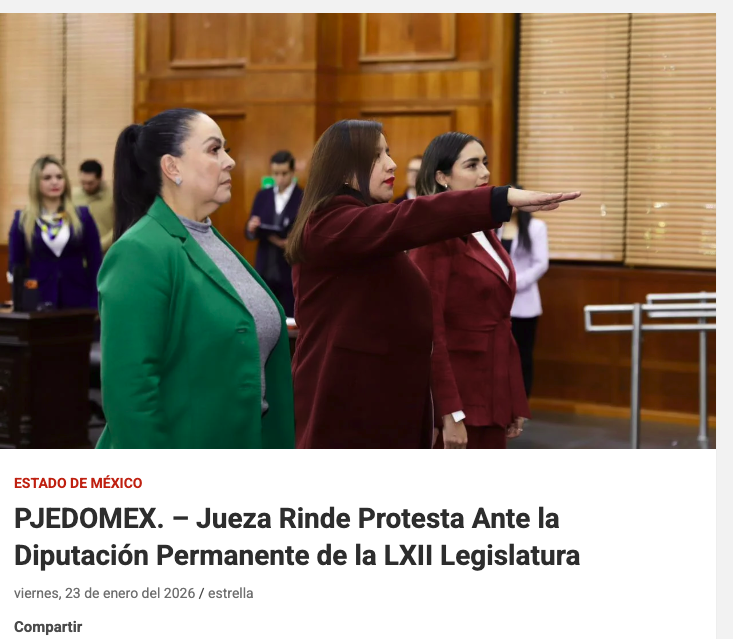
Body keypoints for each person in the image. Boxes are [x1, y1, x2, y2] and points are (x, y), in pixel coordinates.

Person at [285, 119, 579, 448]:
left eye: (388, 152)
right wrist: (501, 198)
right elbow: (412, 216)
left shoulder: (360, 222)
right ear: (344, 171)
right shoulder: (331, 223)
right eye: (377, 156)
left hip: (379, 403)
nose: (391, 164)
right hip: (347, 409)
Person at [96, 108, 295, 449]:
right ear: (172, 167)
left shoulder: (212, 240)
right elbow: (130, 394)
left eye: (225, 149)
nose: (230, 161)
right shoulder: (140, 250)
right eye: (214, 149)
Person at [409, 133, 530, 449]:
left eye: (485, 163)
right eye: (472, 165)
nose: (485, 173)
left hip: (493, 387)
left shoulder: (483, 228)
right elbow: (430, 331)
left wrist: (513, 395)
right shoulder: (433, 236)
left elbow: (501, 322)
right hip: (460, 396)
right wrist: (449, 412)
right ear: (442, 177)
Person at [8, 155, 102, 309]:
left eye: (59, 177)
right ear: (36, 183)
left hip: (79, 299)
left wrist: (96, 301)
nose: (55, 182)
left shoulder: (82, 216)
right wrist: (19, 299)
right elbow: (16, 265)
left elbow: (95, 262)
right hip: (37, 299)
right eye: (47, 178)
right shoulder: (23, 219)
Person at [496, 184, 549, 398]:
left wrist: (514, 283)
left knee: (522, 356)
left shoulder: (536, 227)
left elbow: (541, 264)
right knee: (499, 356)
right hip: (497, 303)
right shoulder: (495, 226)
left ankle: (522, 402)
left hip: (524, 304)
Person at [244, 151, 303, 317]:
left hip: (289, 274)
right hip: (264, 270)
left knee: (290, 320)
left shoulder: (303, 197)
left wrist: (294, 242)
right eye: (275, 174)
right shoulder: (263, 195)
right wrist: (251, 227)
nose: (280, 178)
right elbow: (249, 232)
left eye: (284, 173)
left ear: (293, 172)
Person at [72, 159, 115, 253]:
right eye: (83, 182)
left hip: (106, 252)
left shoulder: (113, 197)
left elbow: (119, 225)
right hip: (80, 253)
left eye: (90, 183)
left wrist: (99, 245)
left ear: (100, 178)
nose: (86, 186)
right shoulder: (72, 196)